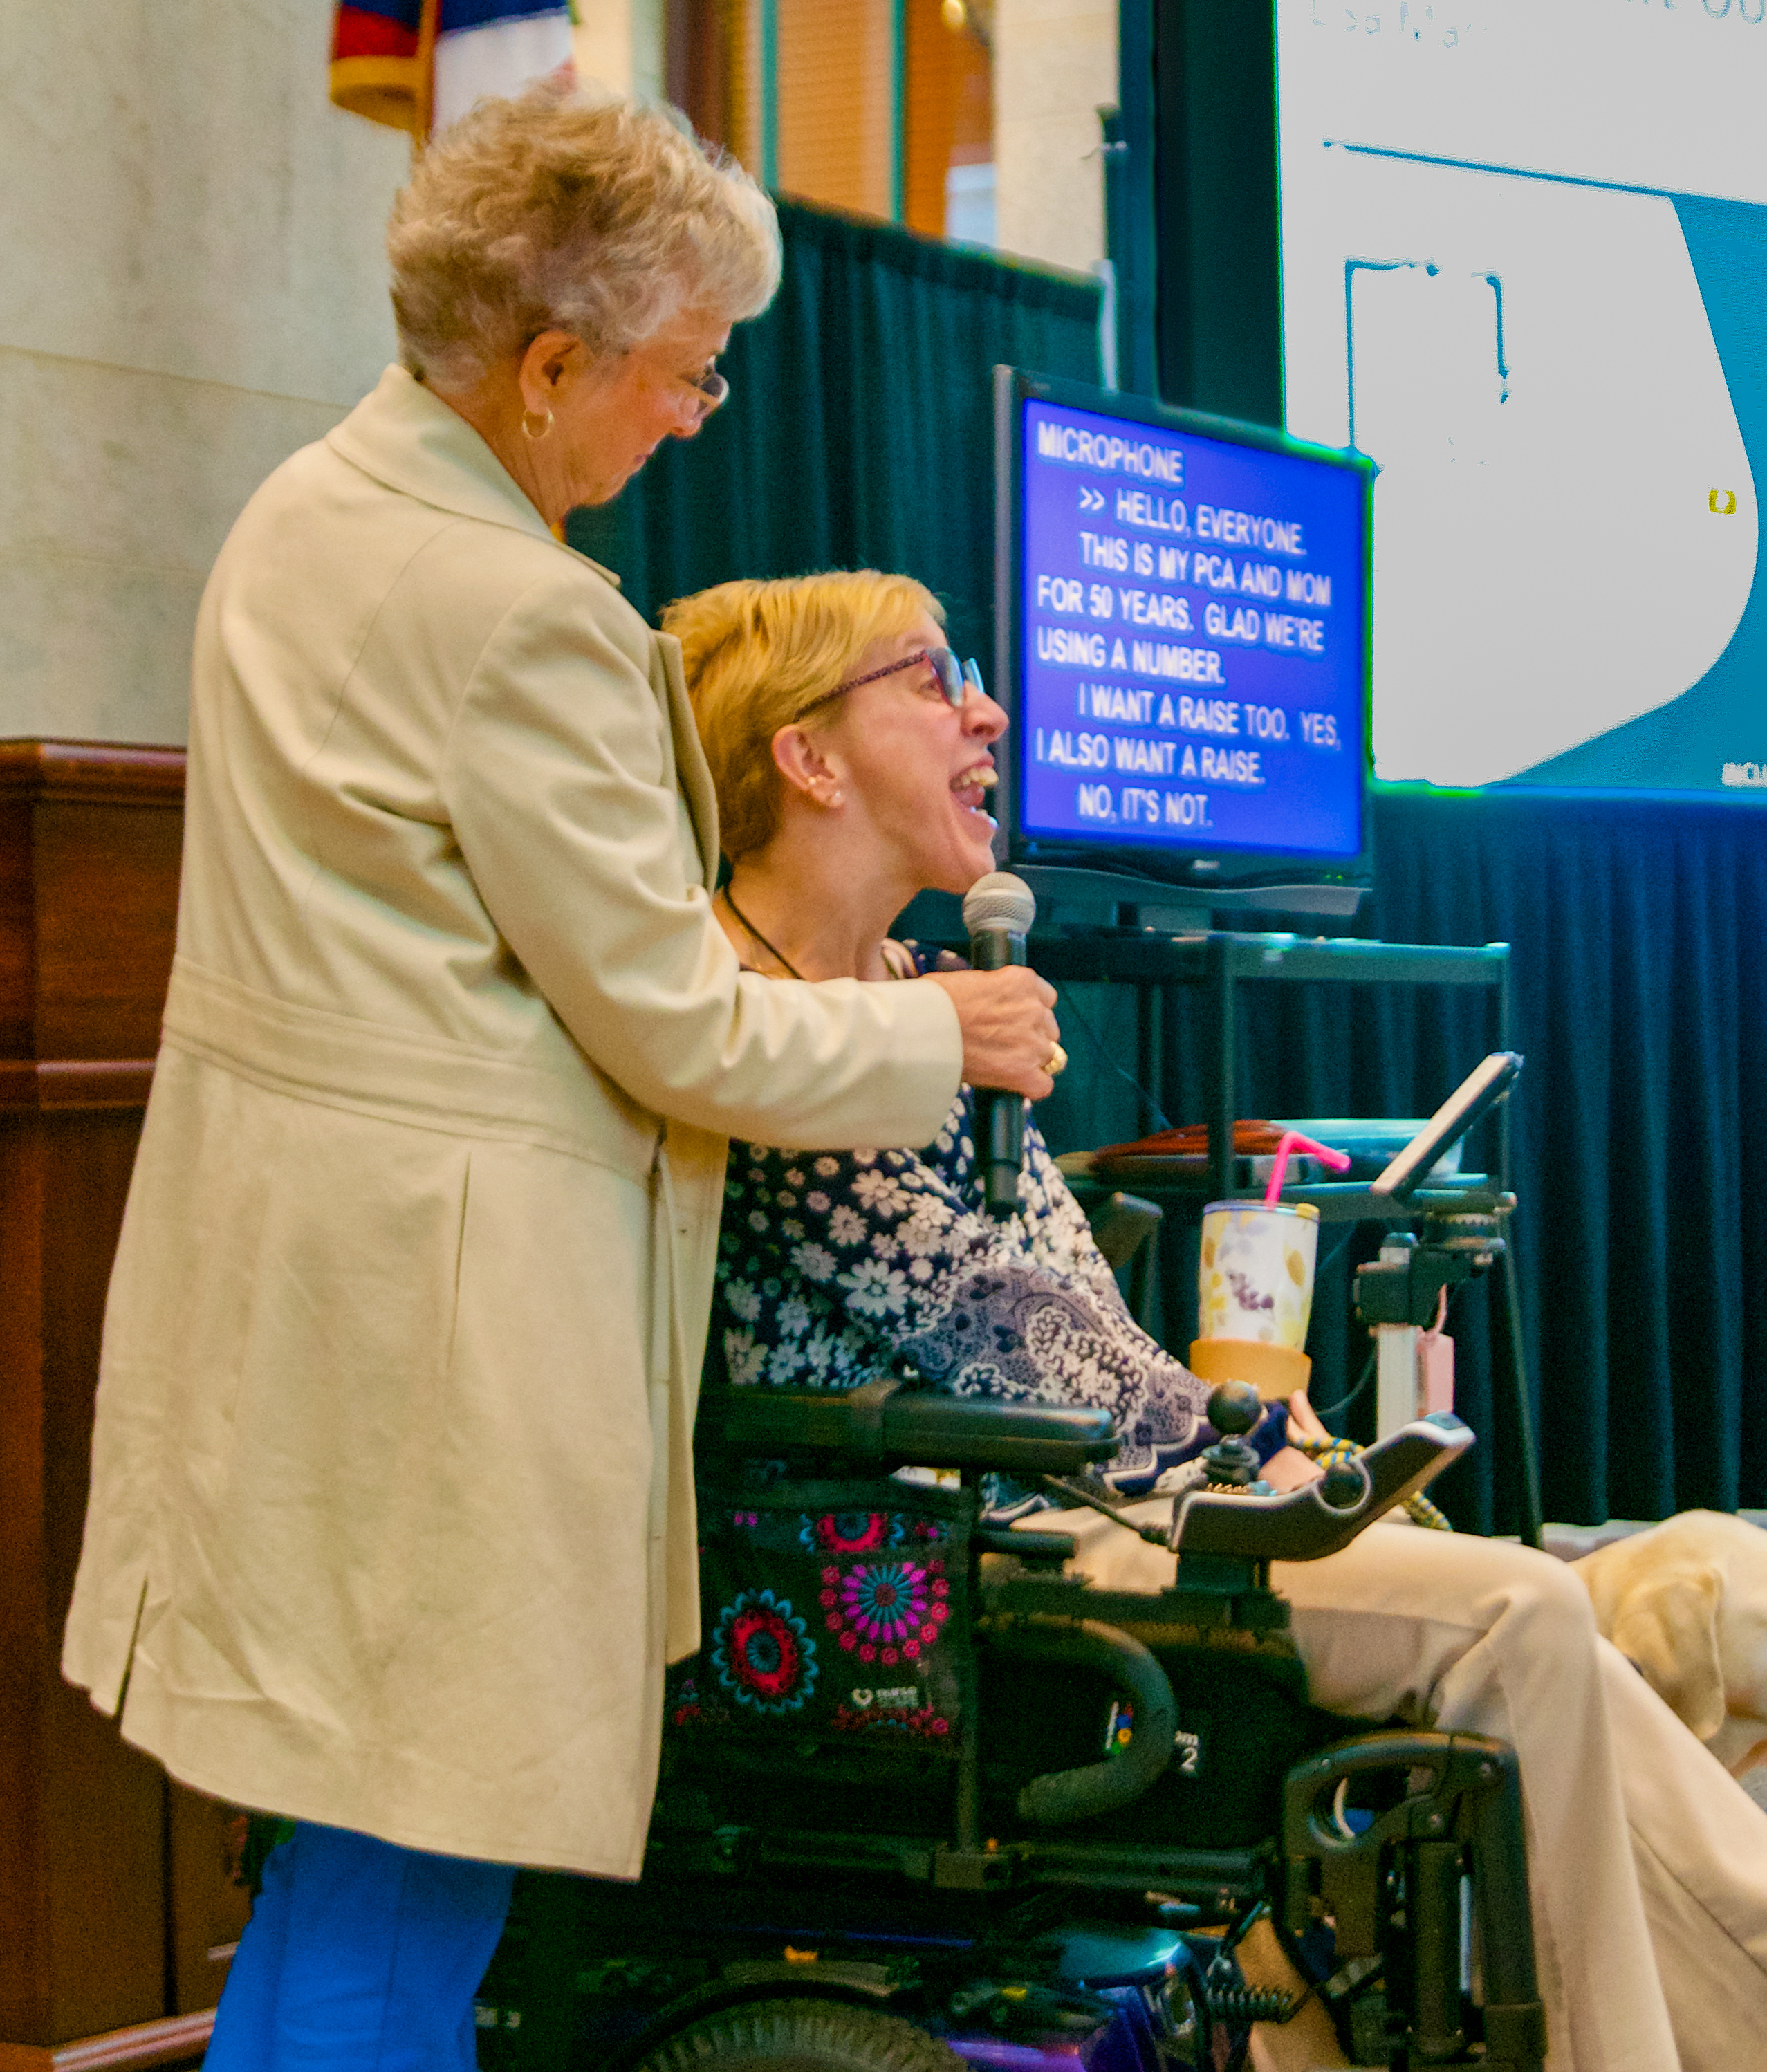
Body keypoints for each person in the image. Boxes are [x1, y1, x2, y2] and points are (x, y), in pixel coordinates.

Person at [668, 568, 1767, 2072]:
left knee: (1534, 1611)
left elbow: (1070, 1320)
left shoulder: (937, 991)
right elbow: (994, 1336)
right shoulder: (754, 1028)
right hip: (968, 1551)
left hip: (1085, 1494)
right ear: (806, 755)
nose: (988, 709)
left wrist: (1256, 1432)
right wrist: (1237, 1450)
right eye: (934, 678)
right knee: (1526, 1613)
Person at [57, 93, 1064, 2071]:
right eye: (683, 377)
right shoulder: (527, 617)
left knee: (358, 1847)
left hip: (310, 1292)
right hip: (450, 1345)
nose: (694, 418)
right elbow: (677, 1026)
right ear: (547, 368)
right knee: (412, 1861)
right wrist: (934, 1031)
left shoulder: (301, 513)